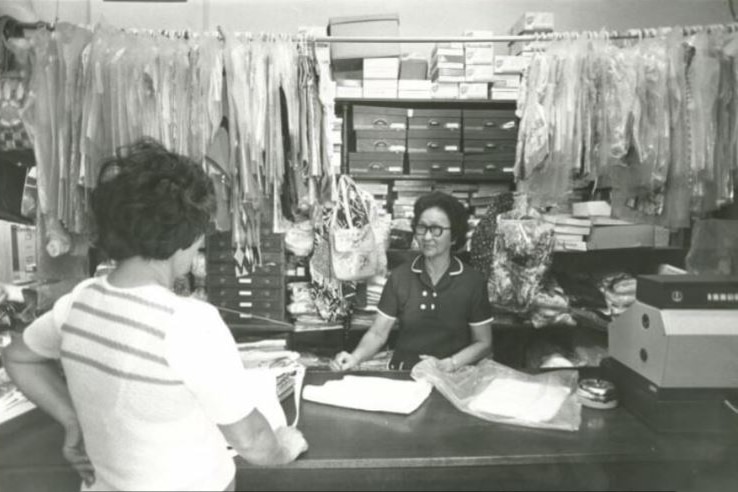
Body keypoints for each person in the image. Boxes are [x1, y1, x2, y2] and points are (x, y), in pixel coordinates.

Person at [0, 139, 307, 491]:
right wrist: (284, 446)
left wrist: (72, 420)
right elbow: (252, 441)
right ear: (188, 236)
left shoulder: (79, 302)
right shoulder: (189, 323)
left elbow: (19, 357)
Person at [331, 191, 494, 372]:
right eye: (422, 228)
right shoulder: (400, 277)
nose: (427, 237)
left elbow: (483, 342)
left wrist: (449, 364)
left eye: (436, 229)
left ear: (454, 236)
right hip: (405, 375)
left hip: (454, 377)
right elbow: (378, 333)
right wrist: (355, 357)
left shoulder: (472, 282)